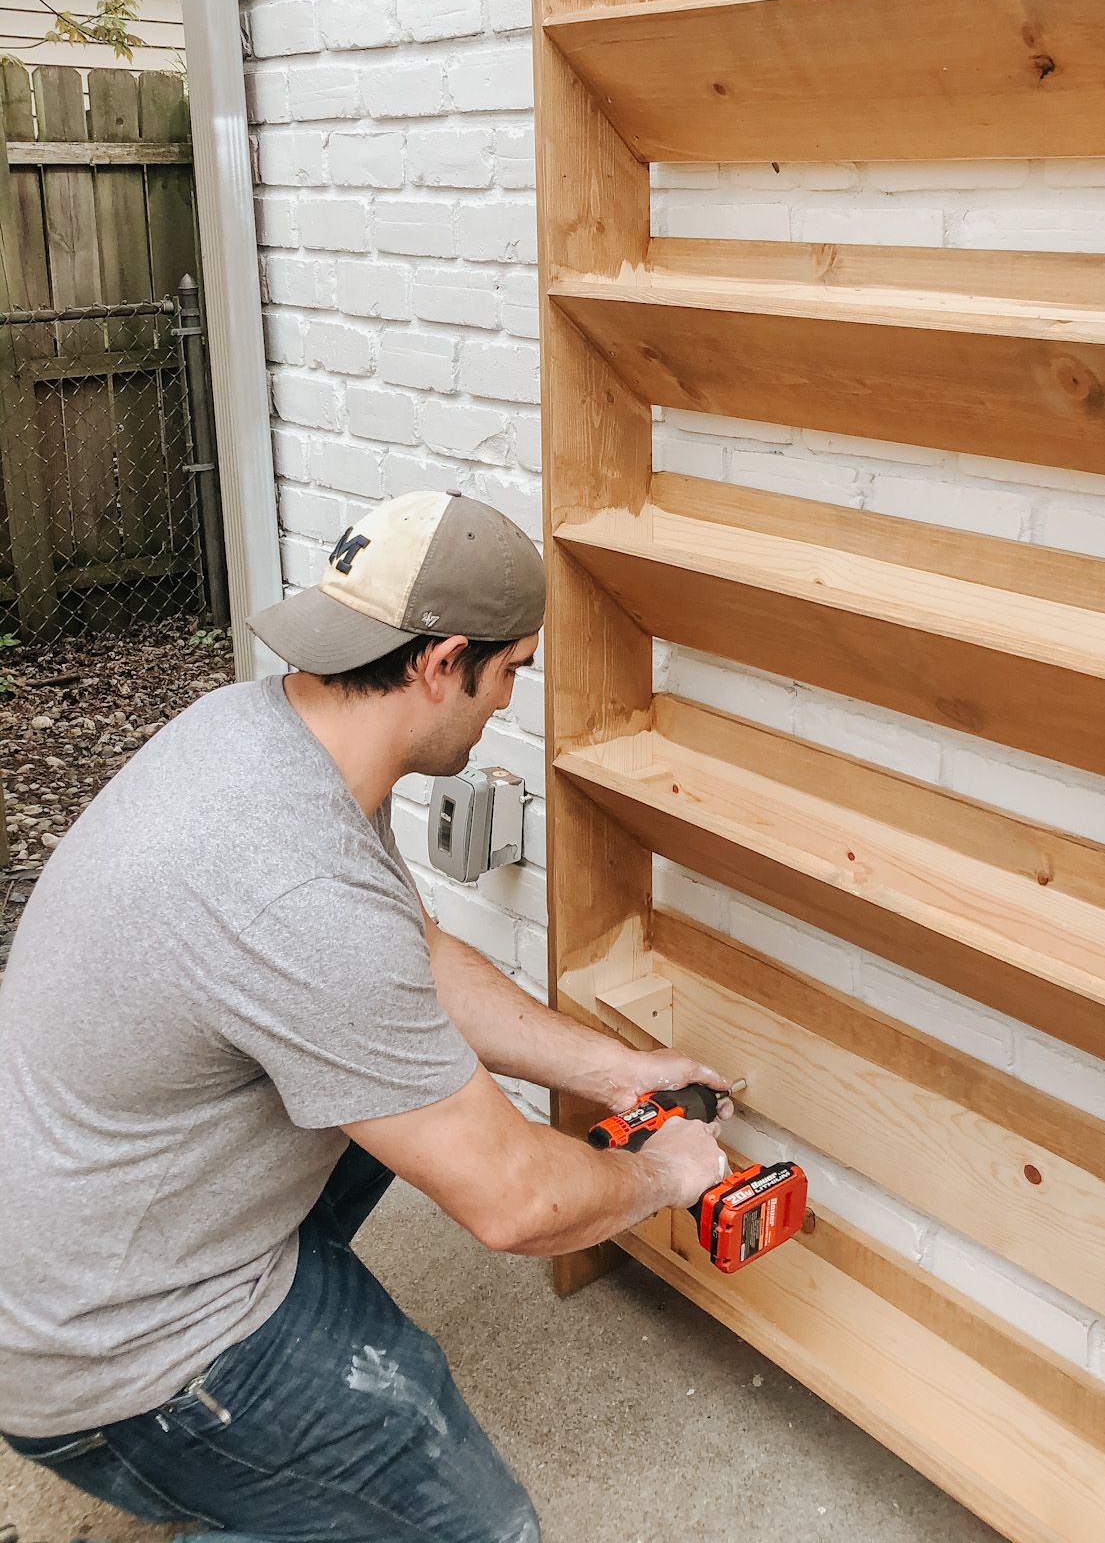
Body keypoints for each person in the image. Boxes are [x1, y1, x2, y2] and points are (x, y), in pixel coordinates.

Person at [0, 490, 732, 1543]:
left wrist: (608, 1069)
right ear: (442, 661)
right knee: (477, 1530)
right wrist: (669, 1173)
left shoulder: (278, 732)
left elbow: (412, 958)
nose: (506, 705)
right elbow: (514, 1204)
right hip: (110, 1353)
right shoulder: (295, 891)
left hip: (91, 1223)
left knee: (408, 1082)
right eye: (512, 669)